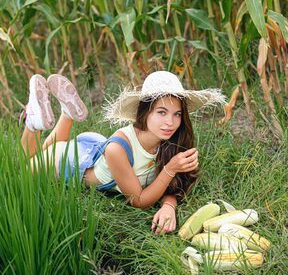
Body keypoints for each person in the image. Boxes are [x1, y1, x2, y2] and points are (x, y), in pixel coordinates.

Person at [21, 71, 226, 235]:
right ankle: (32, 123)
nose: (170, 122)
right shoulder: (118, 149)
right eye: (161, 112)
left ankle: (66, 113)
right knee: (25, 165)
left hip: (92, 150)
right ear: (145, 113)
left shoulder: (170, 139)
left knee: (54, 147)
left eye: (177, 114)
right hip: (66, 163)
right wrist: (170, 169)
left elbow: (175, 185)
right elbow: (138, 201)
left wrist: (168, 206)